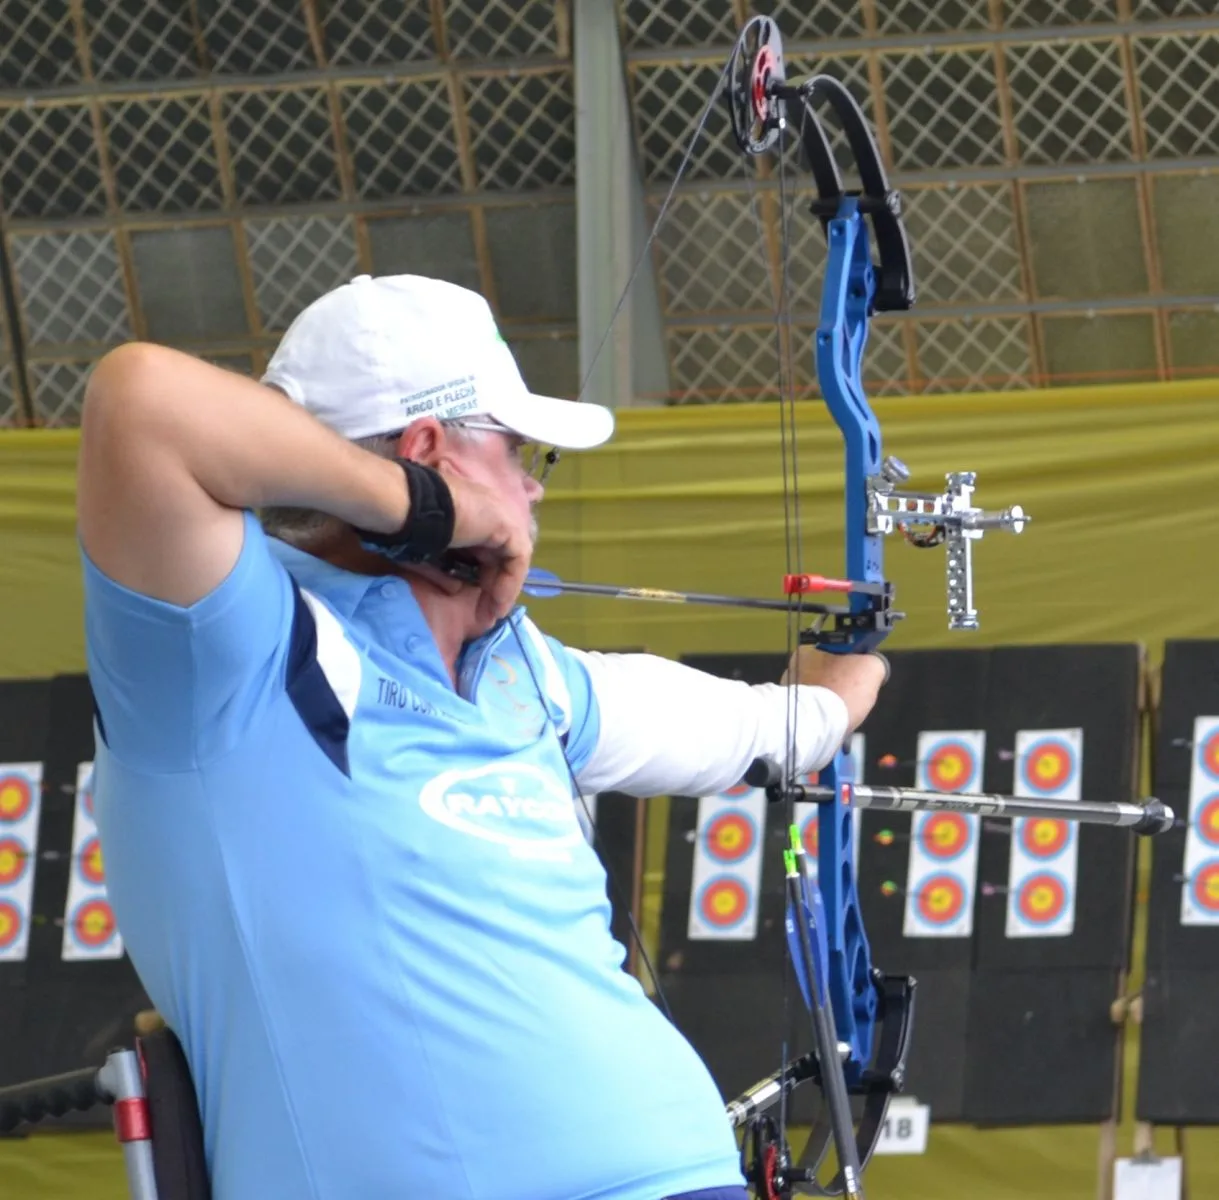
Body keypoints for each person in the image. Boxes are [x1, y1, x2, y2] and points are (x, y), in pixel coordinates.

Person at [77, 274, 887, 1200]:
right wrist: (433, 509)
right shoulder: (228, 652)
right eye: (514, 450)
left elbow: (732, 726)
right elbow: (138, 404)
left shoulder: (524, 671)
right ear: (428, 454)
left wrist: (826, 703)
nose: (533, 489)